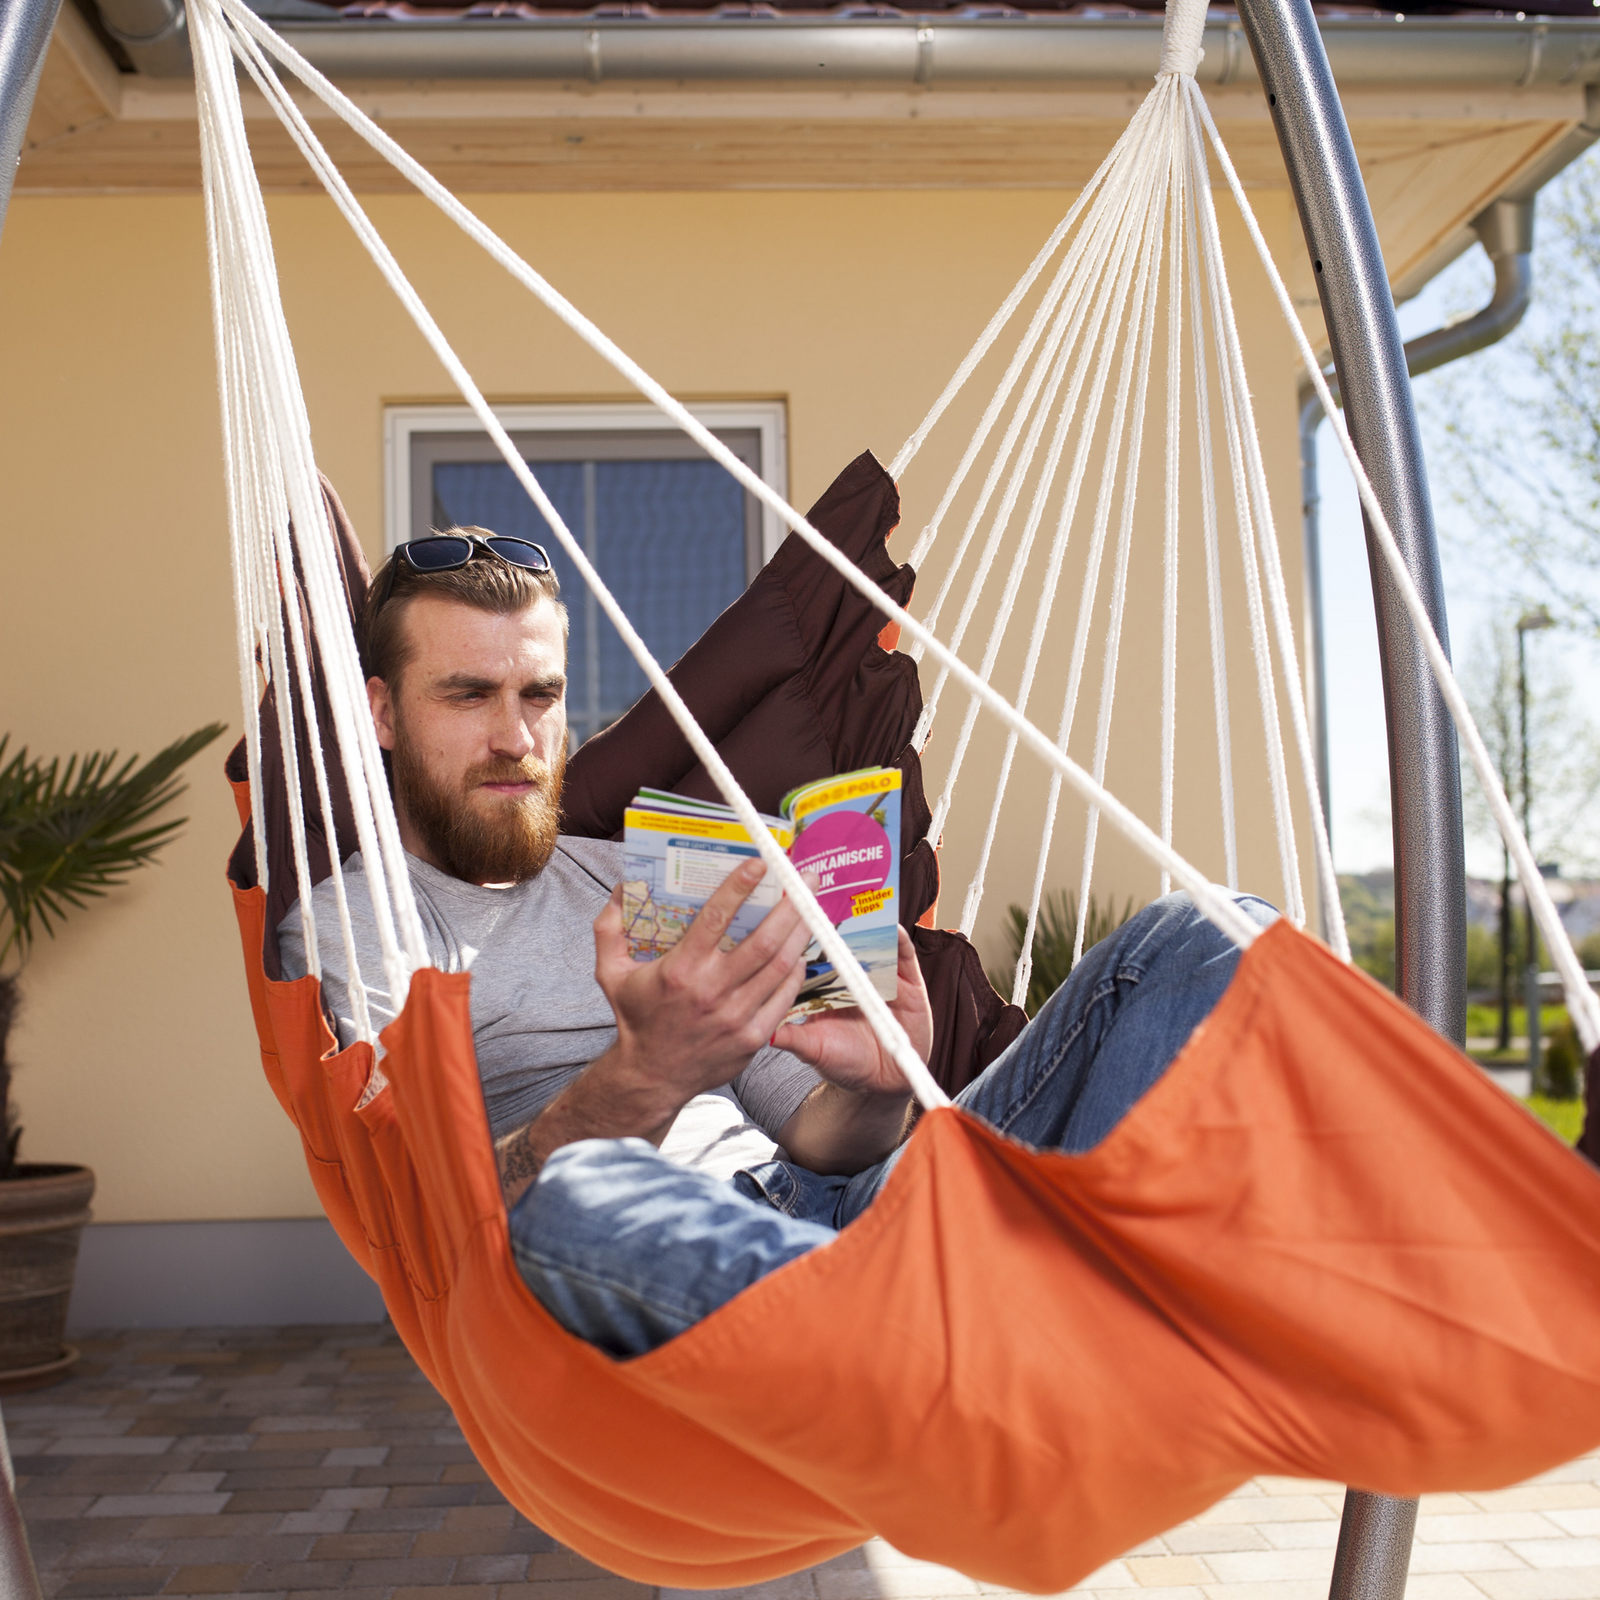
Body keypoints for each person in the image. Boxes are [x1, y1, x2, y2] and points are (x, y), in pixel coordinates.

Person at [280, 530, 1276, 1359]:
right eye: (467, 695)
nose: (517, 736)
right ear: (381, 713)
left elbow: (817, 1139)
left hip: (827, 1219)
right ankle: (970, 1310)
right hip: (615, 1260)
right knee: (582, 1197)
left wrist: (885, 1083)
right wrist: (647, 1076)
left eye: (537, 694)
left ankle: (942, 1298)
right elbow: (431, 1217)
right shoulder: (356, 921)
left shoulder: (640, 871)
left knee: (1206, 933)